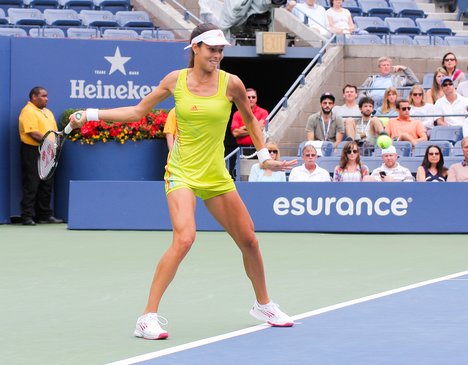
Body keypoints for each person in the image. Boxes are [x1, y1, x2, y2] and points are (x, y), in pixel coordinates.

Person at [69, 24, 297, 340]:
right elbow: (137, 111)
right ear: (195, 48)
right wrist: (91, 113)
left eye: (221, 50)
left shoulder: (232, 84)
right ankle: (146, 318)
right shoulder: (175, 80)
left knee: (249, 241)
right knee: (185, 238)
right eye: (211, 49)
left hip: (216, 175)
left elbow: (250, 120)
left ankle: (264, 305)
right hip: (182, 173)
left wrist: (263, 158)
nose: (217, 55)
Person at [18, 86, 63, 226]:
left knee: (46, 183)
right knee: (32, 183)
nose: (46, 98)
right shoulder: (28, 111)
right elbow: (34, 133)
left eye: (47, 96)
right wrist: (51, 143)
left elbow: (54, 132)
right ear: (34, 97)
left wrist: (55, 142)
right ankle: (27, 216)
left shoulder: (48, 112)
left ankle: (44, 215)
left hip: (48, 151)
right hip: (32, 150)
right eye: (43, 96)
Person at [231, 87, 268, 154]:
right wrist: (255, 128)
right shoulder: (237, 114)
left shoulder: (263, 112)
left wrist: (243, 128)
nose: (251, 99)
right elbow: (235, 133)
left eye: (253, 97)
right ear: (244, 98)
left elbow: (262, 128)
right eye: (248, 97)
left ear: (256, 99)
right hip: (242, 149)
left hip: (259, 148)